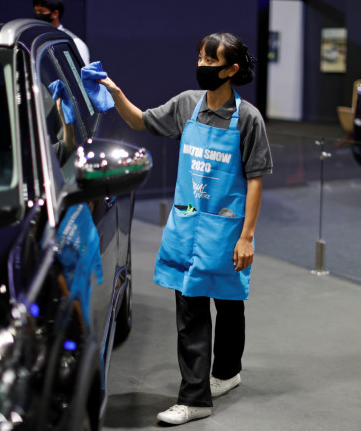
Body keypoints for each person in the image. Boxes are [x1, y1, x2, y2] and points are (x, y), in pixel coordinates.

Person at [97, 32, 272, 425]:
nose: (202, 66)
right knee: (190, 308)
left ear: (232, 70)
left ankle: (226, 372)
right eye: (200, 58)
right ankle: (195, 397)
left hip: (226, 231)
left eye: (212, 61)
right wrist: (116, 93)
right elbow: (140, 121)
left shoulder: (248, 119)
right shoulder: (186, 105)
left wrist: (246, 236)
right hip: (187, 225)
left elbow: (257, 178)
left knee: (228, 305)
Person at [33, 0, 90, 65]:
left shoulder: (75, 43)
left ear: (55, 13)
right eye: (36, 11)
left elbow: (82, 73)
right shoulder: (37, 40)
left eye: (41, 11)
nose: (38, 14)